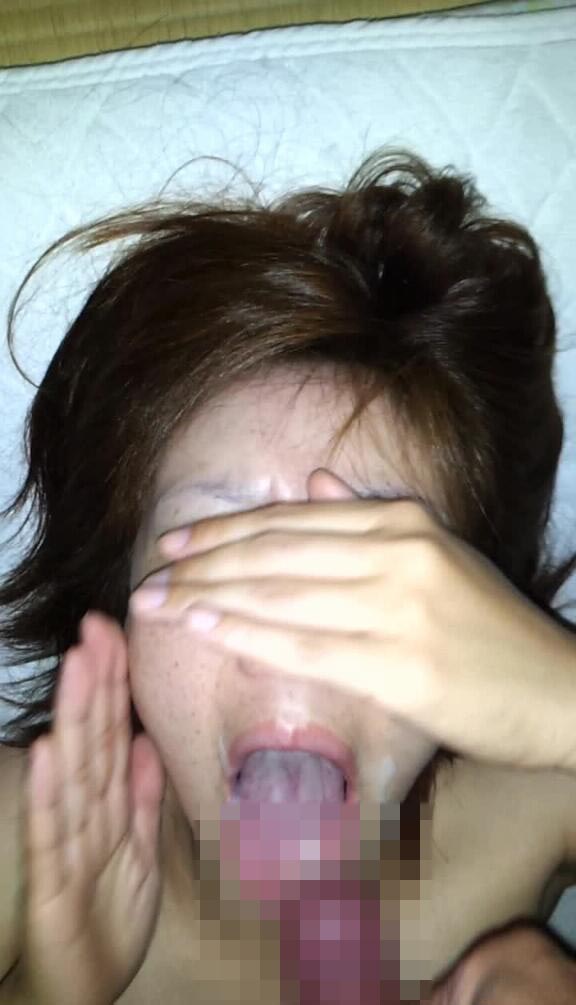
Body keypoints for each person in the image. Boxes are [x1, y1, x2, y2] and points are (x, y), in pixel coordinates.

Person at [0, 147, 575, 1003]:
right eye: (213, 546)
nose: (291, 628)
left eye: (365, 560)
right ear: (118, 603)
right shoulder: (19, 831)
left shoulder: (537, 803)